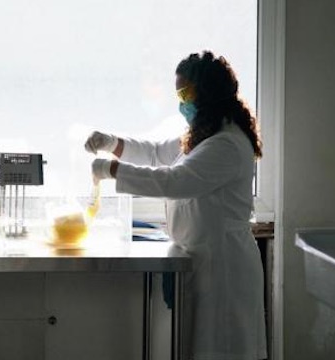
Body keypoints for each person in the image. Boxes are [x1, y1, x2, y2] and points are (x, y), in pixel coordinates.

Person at [85, 51, 267, 360]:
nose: (181, 103)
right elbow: (157, 153)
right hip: (202, 259)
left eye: (185, 94)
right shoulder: (205, 134)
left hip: (224, 268)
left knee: (222, 351)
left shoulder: (226, 143)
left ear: (206, 92)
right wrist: (111, 142)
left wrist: (111, 170)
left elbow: (176, 182)